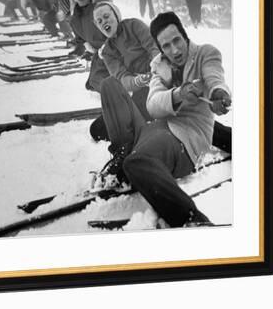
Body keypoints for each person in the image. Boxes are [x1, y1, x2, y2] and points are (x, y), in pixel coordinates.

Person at [97, 11, 232, 227]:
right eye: (166, 46)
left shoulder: (206, 53)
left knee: (136, 163)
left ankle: (190, 219)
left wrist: (217, 93)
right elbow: (152, 105)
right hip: (152, 130)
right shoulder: (159, 65)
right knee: (109, 85)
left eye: (177, 40)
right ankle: (122, 153)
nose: (174, 50)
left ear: (185, 35)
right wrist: (176, 92)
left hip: (182, 139)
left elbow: (214, 77)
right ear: (160, 48)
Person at [90, 1, 160, 141]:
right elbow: (121, 77)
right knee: (98, 129)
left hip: (161, 78)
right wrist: (136, 81)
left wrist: (155, 71)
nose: (104, 22)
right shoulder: (107, 52)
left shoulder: (134, 26)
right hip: (141, 90)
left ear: (116, 16)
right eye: (99, 21)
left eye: (106, 16)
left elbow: (154, 47)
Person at [69, 0, 111, 92]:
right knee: (93, 83)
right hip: (99, 54)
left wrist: (107, 47)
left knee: (98, 81)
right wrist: (79, 46)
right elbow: (80, 37)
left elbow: (113, 31)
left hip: (112, 51)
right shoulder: (74, 18)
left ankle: (119, 94)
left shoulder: (99, 10)